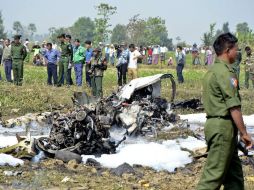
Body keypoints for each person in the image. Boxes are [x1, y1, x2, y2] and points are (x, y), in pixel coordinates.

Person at [197, 33, 253, 190]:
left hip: (217, 125)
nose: (238, 52)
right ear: (228, 50)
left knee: (234, 177)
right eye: (236, 49)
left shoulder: (213, 70)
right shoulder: (225, 73)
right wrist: (244, 133)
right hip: (223, 128)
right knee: (212, 178)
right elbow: (233, 106)